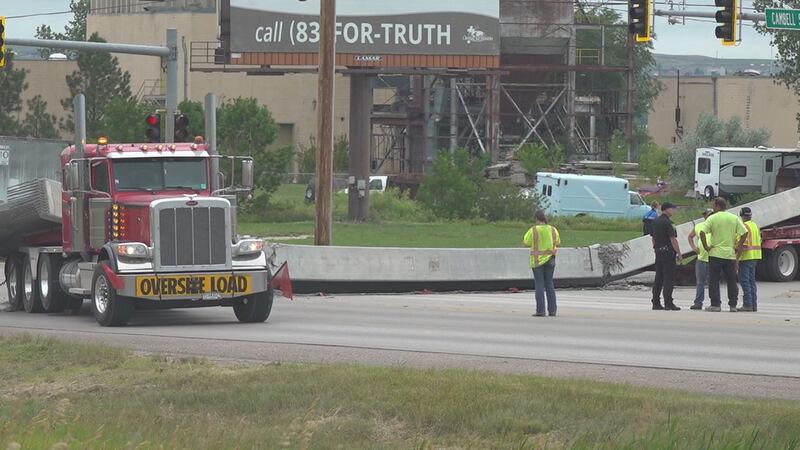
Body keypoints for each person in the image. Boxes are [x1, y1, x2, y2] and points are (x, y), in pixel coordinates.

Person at [699, 197, 748, 312]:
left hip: (715, 254)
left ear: (717, 205)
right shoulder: (734, 218)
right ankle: (733, 305)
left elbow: (702, 232)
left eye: (713, 205)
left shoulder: (712, 218)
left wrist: (706, 247)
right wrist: (739, 245)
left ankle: (716, 304)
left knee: (714, 280)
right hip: (729, 254)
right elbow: (744, 233)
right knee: (731, 280)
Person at [523, 211, 561, 317]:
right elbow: (558, 242)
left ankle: (541, 311)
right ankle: (552, 310)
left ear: (536, 219)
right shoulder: (553, 229)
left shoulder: (534, 230)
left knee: (539, 284)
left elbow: (526, 242)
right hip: (551, 259)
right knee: (549, 283)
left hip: (537, 260)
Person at [650, 202, 682, 311]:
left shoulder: (655, 222)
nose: (673, 211)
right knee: (668, 278)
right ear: (666, 209)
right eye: (672, 209)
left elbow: (653, 238)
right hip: (668, 253)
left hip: (658, 252)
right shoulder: (669, 223)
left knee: (658, 277)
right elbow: (673, 239)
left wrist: (655, 248)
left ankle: (656, 302)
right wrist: (679, 253)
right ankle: (668, 303)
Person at [687, 209, 714, 310]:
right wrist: (693, 247)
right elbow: (690, 236)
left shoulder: (715, 225)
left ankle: (714, 302)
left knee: (713, 282)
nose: (708, 216)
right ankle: (698, 302)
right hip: (702, 258)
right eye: (707, 215)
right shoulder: (699, 226)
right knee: (700, 282)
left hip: (713, 258)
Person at [737, 207, 761, 312]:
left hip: (746, 257)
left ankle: (747, 304)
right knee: (751, 282)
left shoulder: (744, 226)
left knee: (745, 282)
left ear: (742, 216)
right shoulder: (755, 225)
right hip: (755, 256)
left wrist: (736, 259)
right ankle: (753, 304)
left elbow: (744, 245)